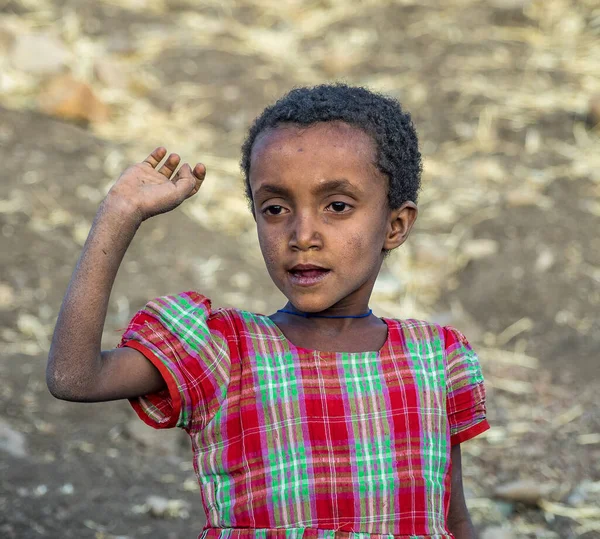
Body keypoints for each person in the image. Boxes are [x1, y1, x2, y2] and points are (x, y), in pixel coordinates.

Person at [47, 84, 490, 539]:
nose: (302, 234)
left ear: (395, 226)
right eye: (275, 208)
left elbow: (452, 518)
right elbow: (74, 378)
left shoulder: (437, 359)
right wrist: (118, 214)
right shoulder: (221, 351)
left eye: (337, 206)